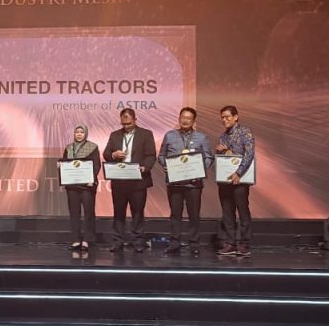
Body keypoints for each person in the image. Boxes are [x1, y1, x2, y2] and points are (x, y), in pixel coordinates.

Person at [158, 107, 214, 254]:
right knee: (175, 214)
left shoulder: (202, 137)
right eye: (183, 117)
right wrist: (165, 165)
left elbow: (209, 157)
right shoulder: (169, 136)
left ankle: (194, 244)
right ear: (179, 119)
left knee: (194, 214)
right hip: (174, 182)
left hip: (193, 184)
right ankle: (174, 242)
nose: (185, 120)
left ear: (193, 121)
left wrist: (200, 170)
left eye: (188, 118)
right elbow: (161, 156)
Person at [102, 108, 156, 253]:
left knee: (137, 212)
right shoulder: (114, 135)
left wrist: (146, 167)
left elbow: (151, 155)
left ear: (135, 120)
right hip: (119, 181)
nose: (126, 126)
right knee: (118, 212)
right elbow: (106, 154)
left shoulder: (146, 134)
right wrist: (113, 155)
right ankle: (117, 241)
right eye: (123, 124)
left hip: (138, 181)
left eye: (129, 123)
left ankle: (138, 242)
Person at [215, 105, 255, 256]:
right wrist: (219, 152)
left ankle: (244, 244)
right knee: (227, 212)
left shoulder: (245, 133)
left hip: (240, 180)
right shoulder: (223, 136)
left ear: (236, 117)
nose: (224, 120)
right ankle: (230, 242)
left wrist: (238, 173)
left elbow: (249, 154)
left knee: (242, 211)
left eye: (227, 117)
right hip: (225, 180)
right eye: (222, 117)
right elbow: (223, 159)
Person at [59, 125, 102, 250]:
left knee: (89, 213)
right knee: (74, 213)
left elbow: (96, 165)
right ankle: (76, 240)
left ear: (86, 133)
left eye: (81, 132)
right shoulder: (69, 148)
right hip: (72, 186)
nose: (79, 134)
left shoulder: (92, 147)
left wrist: (91, 179)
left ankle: (87, 240)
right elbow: (65, 163)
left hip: (87, 186)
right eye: (76, 132)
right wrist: (60, 166)